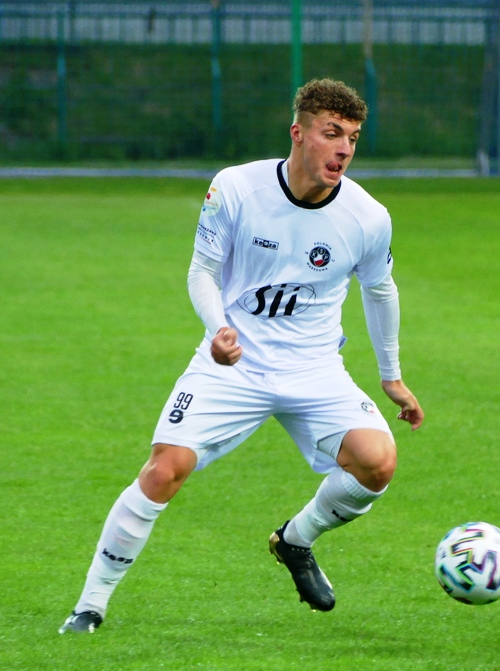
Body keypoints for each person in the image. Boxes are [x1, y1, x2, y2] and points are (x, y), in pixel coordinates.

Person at [60, 78, 425, 634]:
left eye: (352, 137)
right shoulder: (235, 188)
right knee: (164, 470)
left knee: (378, 462)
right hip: (234, 364)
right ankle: (90, 605)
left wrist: (392, 377)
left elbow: (381, 292)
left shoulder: (368, 217)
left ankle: (295, 541)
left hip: (315, 369)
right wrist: (219, 330)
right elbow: (202, 272)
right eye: (332, 134)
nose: (344, 149)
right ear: (298, 133)